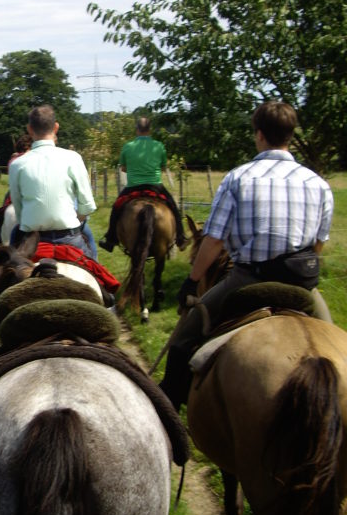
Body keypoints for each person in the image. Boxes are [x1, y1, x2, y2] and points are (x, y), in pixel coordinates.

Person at [160, 101, 334, 410]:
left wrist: (192, 281)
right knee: (334, 340)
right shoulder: (318, 184)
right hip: (302, 284)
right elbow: (318, 246)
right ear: (291, 136)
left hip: (248, 278)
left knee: (184, 340)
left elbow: (213, 241)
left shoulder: (238, 178)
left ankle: (170, 407)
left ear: (259, 135)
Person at [9, 104, 97, 256]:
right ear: (56, 127)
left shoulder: (17, 164)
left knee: (8, 272)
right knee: (96, 274)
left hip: (31, 241)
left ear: (29, 129)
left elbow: (19, 209)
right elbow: (88, 206)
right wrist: (76, 218)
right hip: (70, 238)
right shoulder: (73, 158)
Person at [98, 116, 186, 252]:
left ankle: (111, 240)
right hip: (155, 186)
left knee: (116, 208)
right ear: (150, 129)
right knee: (173, 207)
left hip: (133, 187)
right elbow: (163, 167)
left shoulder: (128, 146)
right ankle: (181, 238)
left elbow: (123, 168)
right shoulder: (159, 146)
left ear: (137, 129)